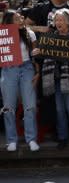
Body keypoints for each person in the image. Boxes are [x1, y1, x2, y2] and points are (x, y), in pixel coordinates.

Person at [42, 8, 69, 149]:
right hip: (56, 79)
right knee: (60, 110)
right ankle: (63, 137)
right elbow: (45, 53)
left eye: (61, 20)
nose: (58, 22)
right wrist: (39, 51)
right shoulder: (50, 38)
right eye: (56, 20)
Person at [1, 9, 40, 152]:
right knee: (8, 106)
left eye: (21, 18)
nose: (21, 20)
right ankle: (11, 140)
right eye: (17, 19)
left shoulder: (29, 33)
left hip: (27, 68)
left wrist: (37, 70)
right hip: (8, 68)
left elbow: (35, 55)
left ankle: (31, 139)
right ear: (9, 22)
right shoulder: (2, 36)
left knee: (30, 105)